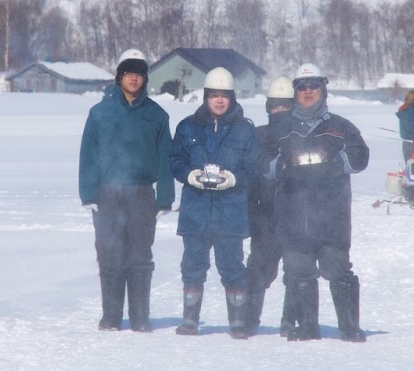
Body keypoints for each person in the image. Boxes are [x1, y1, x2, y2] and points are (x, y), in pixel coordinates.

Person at [259, 63, 370, 342]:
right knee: (299, 272)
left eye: (314, 86)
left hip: (333, 218)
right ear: (295, 92)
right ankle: (307, 327)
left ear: (323, 89)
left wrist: (336, 161)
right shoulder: (280, 129)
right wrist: (283, 164)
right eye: (302, 87)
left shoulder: (341, 126)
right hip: (293, 216)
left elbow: (361, 158)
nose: (308, 92)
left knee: (339, 270)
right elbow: (261, 165)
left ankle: (349, 327)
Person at [79, 48, 175, 332]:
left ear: (145, 79)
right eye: (129, 73)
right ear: (119, 76)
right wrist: (89, 194)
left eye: (139, 73)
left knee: (140, 256)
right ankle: (111, 317)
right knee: (109, 255)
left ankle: (140, 318)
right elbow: (88, 155)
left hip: (141, 194)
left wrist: (165, 198)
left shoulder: (157, 115)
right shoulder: (99, 113)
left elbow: (165, 159)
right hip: (107, 195)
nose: (134, 78)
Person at [169, 67, 259, 338]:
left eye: (224, 96)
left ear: (232, 98)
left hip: (231, 211)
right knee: (193, 267)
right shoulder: (187, 127)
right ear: (206, 97)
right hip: (196, 210)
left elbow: (255, 168)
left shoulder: (245, 130)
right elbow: (175, 160)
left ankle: (238, 323)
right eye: (214, 95)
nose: (219, 101)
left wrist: (234, 178)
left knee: (232, 267)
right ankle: (190, 320)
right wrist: (190, 175)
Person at [246, 76, 296, 337]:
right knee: (257, 270)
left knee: (296, 271)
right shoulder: (258, 135)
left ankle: (290, 321)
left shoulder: (302, 135)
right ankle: (248, 319)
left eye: (285, 106)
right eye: (275, 106)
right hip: (264, 214)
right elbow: (249, 175)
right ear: (268, 108)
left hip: (298, 215)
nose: (280, 111)